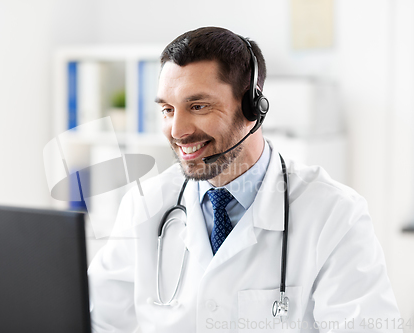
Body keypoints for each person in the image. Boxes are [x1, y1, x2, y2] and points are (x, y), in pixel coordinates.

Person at [88, 27, 401, 332]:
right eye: (168, 109)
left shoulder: (334, 215)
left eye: (198, 106)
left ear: (254, 108)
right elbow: (94, 318)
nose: (177, 130)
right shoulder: (146, 205)